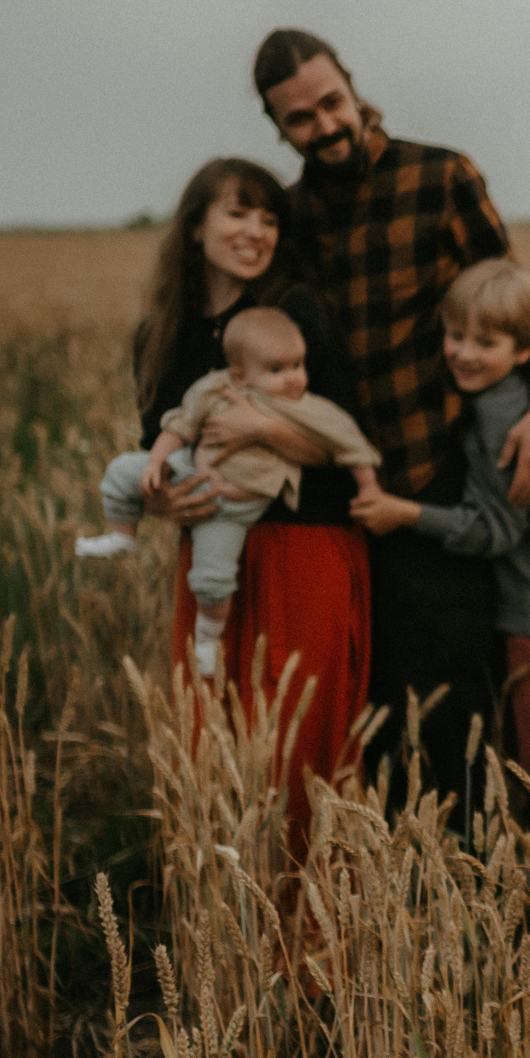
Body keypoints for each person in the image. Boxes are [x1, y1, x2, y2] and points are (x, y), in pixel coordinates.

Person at [246, 27, 530, 825]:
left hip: (436, 482)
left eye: (332, 103)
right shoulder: (292, 218)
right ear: (278, 127)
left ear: (353, 89)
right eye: (299, 118)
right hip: (341, 503)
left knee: (455, 712)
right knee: (376, 713)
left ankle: (477, 878)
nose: (324, 125)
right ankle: (402, 883)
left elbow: (519, 304)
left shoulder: (441, 177)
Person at [126, 157, 375, 851]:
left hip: (303, 548)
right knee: (209, 736)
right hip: (211, 555)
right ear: (195, 225)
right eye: (237, 213)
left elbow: (350, 440)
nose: (255, 231)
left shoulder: (295, 314)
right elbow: (156, 443)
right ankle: (222, 906)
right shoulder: (162, 332)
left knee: (300, 746)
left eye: (268, 219)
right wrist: (164, 501)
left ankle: (311, 914)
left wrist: (259, 429)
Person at [349, 261, 530, 818]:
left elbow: (494, 531)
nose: (464, 353)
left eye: (485, 342)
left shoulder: (505, 417)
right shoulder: (501, 400)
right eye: (455, 335)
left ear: (525, 352)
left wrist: (404, 513)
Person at [81, 306, 380, 678]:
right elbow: (179, 427)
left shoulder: (308, 409)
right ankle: (122, 536)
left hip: (232, 507)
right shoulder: (215, 388)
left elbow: (351, 445)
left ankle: (208, 640)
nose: (293, 378)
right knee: (120, 471)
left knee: (213, 578)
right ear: (240, 374)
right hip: (191, 472)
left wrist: (369, 487)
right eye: (277, 369)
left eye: (298, 365)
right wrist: (155, 464)